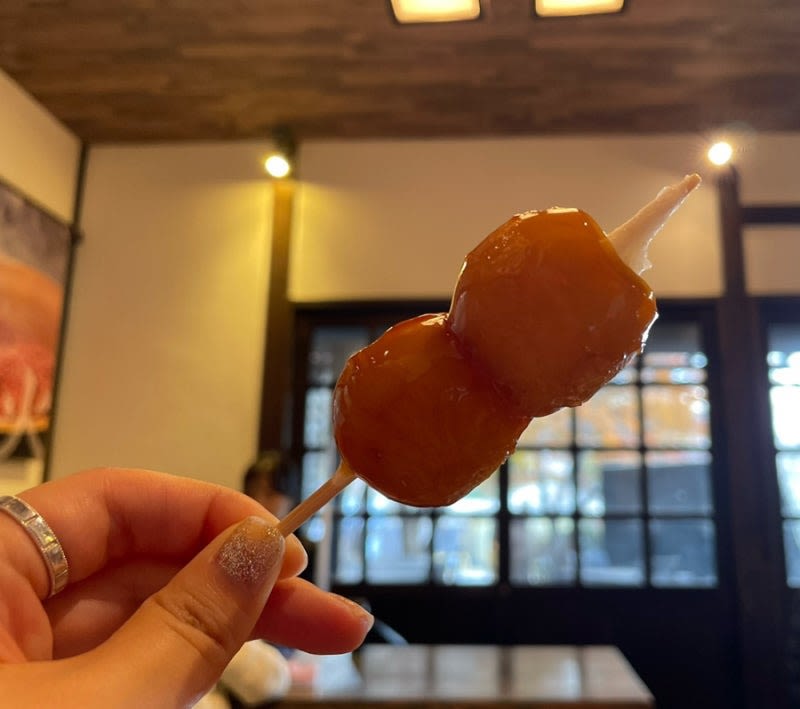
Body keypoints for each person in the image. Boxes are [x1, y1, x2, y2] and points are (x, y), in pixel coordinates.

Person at [0, 466, 374, 707]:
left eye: (272, 491)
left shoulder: (299, 552)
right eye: (259, 489)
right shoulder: (205, 552)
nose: (265, 499)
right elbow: (263, 679)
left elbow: (270, 679)